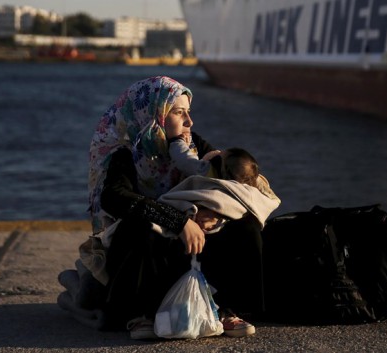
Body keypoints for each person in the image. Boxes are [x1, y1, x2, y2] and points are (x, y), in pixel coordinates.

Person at [80, 76, 276, 340]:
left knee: (245, 225)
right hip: (149, 253)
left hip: (189, 250)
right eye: (178, 112)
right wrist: (180, 221)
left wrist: (215, 213)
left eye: (188, 112)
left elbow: (233, 183)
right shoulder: (126, 153)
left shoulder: (193, 145)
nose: (189, 121)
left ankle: (226, 307)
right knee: (139, 227)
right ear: (155, 114)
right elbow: (115, 198)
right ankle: (142, 313)